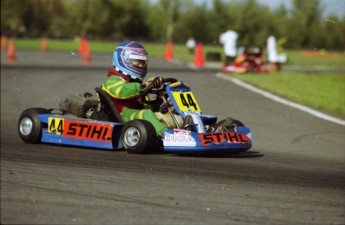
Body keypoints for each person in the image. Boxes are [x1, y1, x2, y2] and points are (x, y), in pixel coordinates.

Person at [101, 41, 167, 136]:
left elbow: (144, 102)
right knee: (146, 114)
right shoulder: (113, 80)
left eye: (143, 62)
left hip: (135, 113)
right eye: (138, 62)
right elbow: (121, 91)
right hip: (123, 115)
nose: (142, 65)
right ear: (123, 60)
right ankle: (166, 135)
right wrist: (143, 86)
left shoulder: (134, 82)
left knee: (164, 111)